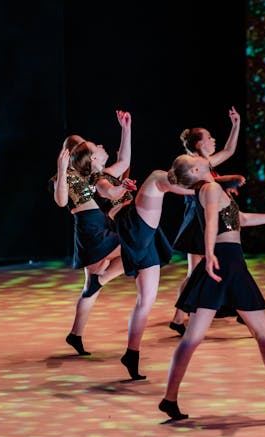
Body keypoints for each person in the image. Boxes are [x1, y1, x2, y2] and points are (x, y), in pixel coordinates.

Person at [159, 155, 265, 421]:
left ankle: (169, 398)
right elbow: (212, 222)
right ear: (195, 169)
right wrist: (209, 252)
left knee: (193, 338)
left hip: (228, 259)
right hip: (227, 261)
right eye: (196, 159)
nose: (203, 159)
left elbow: (242, 220)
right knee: (263, 334)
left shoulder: (209, 188)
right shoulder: (211, 188)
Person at [74, 146, 196, 380]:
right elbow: (109, 191)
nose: (100, 146)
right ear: (92, 159)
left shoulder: (107, 171)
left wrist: (126, 128)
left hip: (143, 237)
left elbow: (124, 158)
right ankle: (202, 191)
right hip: (130, 227)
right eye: (95, 147)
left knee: (147, 300)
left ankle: (132, 354)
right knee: (157, 177)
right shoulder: (97, 179)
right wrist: (121, 188)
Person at [169, 107, 244, 335]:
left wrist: (236, 124)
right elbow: (181, 185)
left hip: (204, 218)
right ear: (200, 144)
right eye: (209, 138)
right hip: (197, 221)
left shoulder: (206, 162)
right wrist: (222, 184)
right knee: (198, 271)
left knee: (200, 270)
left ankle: (181, 316)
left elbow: (229, 150)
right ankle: (183, 315)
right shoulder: (191, 165)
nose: (213, 140)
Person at [52, 126, 124, 356]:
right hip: (89, 229)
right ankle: (101, 280)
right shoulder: (65, 176)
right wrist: (62, 170)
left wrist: (125, 130)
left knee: (90, 288)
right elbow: (61, 201)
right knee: (134, 248)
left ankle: (75, 334)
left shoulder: (91, 174)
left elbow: (122, 163)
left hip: (99, 225)